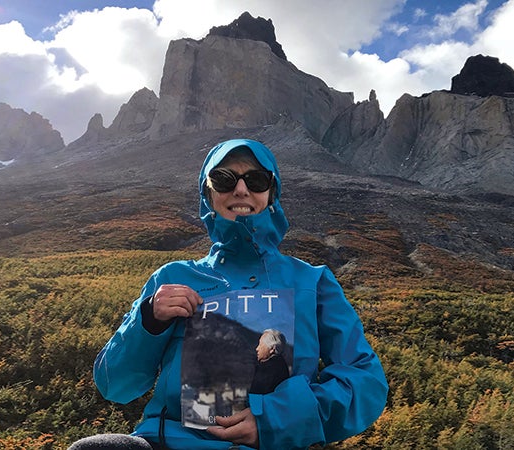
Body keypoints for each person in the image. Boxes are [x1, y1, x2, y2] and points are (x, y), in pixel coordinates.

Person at [69, 139, 388, 450]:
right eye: (223, 179)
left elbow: (365, 380)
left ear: (272, 194)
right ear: (207, 195)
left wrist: (274, 420)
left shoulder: (312, 282)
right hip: (167, 441)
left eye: (256, 179)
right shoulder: (172, 277)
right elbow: (115, 386)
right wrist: (148, 321)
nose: (240, 189)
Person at [249, 329, 289, 395]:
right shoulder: (280, 365)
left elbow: (257, 396)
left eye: (260, 344)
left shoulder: (268, 369)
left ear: (272, 349)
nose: (257, 349)